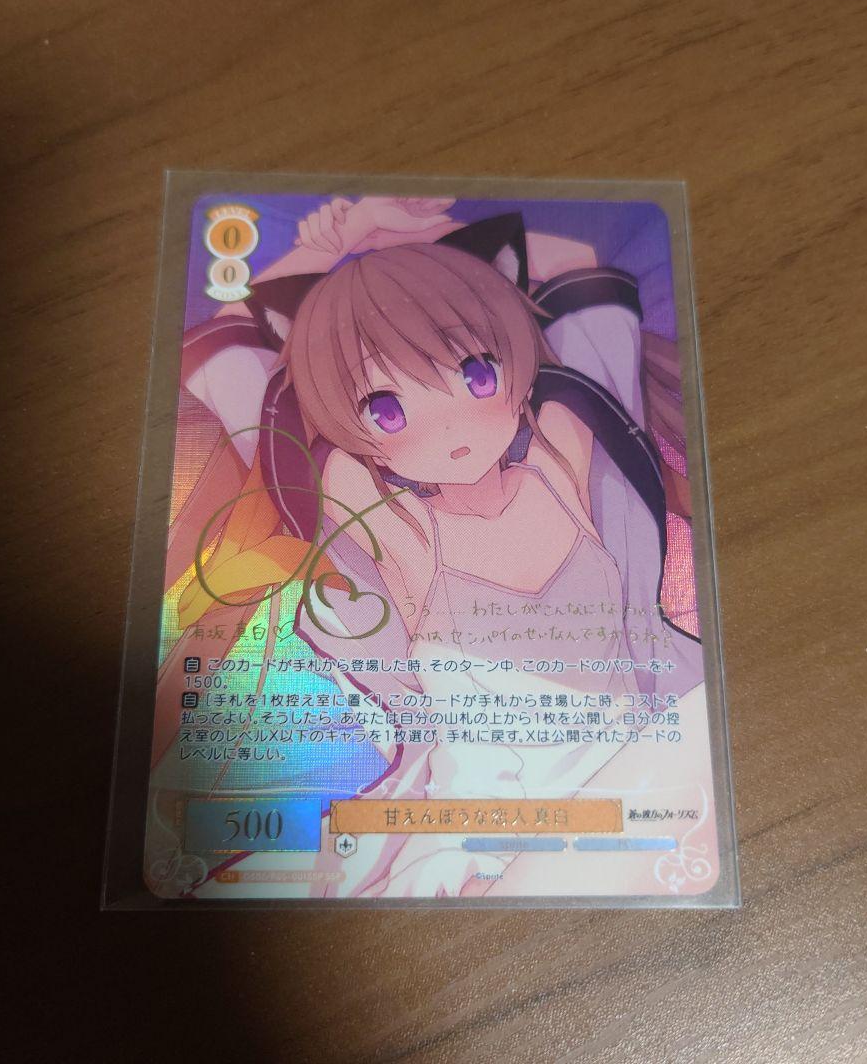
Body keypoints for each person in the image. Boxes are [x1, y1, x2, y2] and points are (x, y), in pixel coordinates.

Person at [158, 196, 718, 898]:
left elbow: (582, 277)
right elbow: (234, 344)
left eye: (477, 374)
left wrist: (413, 236)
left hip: (642, 769)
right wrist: (341, 247)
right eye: (386, 409)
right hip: (484, 822)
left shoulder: (563, 454)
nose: (450, 429)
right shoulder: (387, 524)